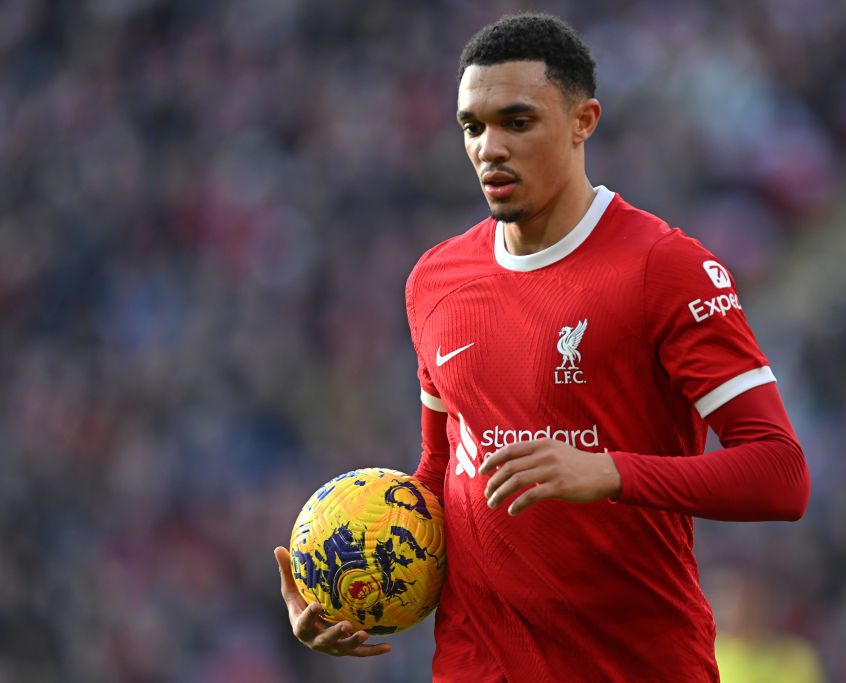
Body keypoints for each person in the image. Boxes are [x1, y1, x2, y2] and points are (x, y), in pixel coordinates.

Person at [275, 12, 811, 682]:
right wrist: (353, 581)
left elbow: (781, 473)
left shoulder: (663, 268)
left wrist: (611, 472)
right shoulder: (435, 280)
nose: (489, 147)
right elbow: (441, 472)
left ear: (584, 120)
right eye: (472, 125)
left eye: (517, 121)